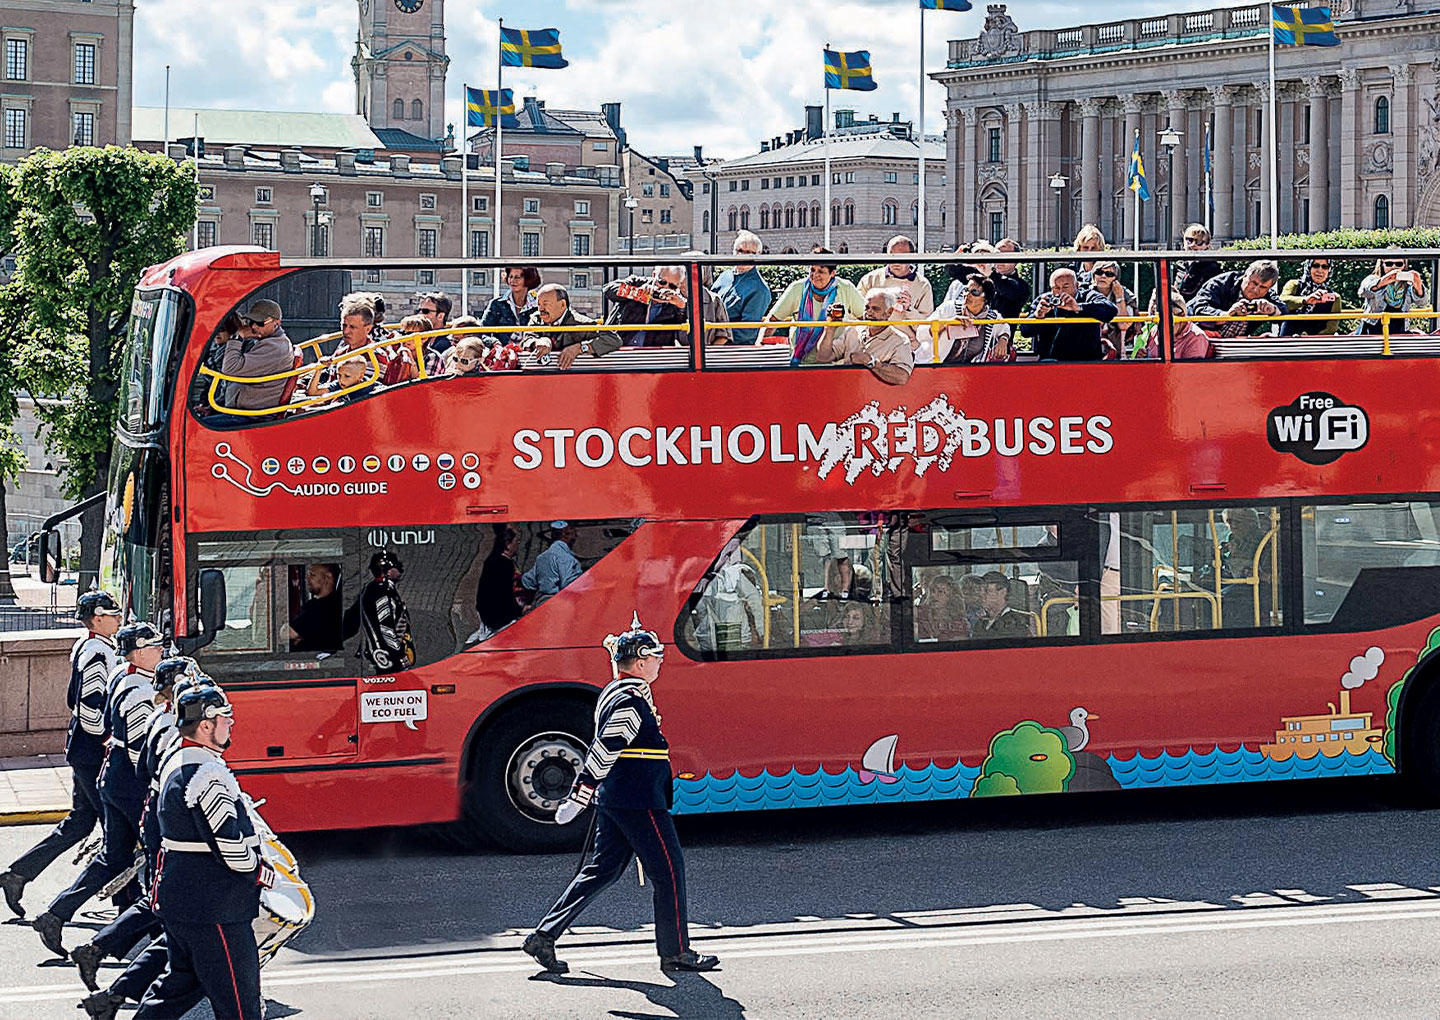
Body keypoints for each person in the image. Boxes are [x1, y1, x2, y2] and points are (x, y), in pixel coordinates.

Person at [522, 615, 719, 975]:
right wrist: (577, 797)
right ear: (641, 660)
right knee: (669, 872)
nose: (661, 661)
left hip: (620, 798)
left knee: (602, 871)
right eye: (656, 656)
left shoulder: (620, 692)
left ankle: (544, 935)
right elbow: (605, 749)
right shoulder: (629, 700)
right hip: (637, 799)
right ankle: (675, 952)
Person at [132, 685, 269, 1020]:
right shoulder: (206, 775)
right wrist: (260, 869)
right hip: (215, 908)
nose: (231, 725)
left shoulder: (178, 761)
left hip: (183, 901)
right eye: (226, 719)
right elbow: (233, 850)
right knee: (240, 1006)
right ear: (206, 725)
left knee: (175, 991)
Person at [75, 657, 202, 1016]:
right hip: (171, 825)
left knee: (172, 920)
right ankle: (102, 958)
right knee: (172, 912)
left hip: (156, 814)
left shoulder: (161, 721)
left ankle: (111, 988)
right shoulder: (174, 729)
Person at [33, 621, 166, 958]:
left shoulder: (124, 674)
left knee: (114, 857)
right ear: (138, 652)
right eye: (155, 647)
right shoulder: (139, 691)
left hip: (113, 774)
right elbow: (140, 750)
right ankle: (154, 933)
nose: (161, 651)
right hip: (130, 780)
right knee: (157, 854)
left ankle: (56, 914)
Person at [0, 591, 122, 920]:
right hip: (92, 750)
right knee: (117, 832)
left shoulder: (89, 646)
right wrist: (107, 740)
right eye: (112, 615)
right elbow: (89, 706)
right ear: (97, 619)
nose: (118, 618)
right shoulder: (97, 653)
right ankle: (123, 909)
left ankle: (18, 875)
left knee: (81, 823)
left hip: (81, 747)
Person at [761, 246, 865, 365]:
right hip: (801, 362)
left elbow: (866, 318)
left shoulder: (846, 288)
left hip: (836, 362)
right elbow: (772, 321)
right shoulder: (797, 288)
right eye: (812, 270)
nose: (815, 275)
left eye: (821, 271)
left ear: (833, 273)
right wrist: (758, 348)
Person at [814, 286, 916, 384]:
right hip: (845, 390)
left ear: (889, 312)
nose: (869, 313)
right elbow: (823, 358)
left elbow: (902, 377)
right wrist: (830, 328)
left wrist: (871, 362)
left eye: (875, 309)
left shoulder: (900, 340)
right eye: (867, 308)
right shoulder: (852, 330)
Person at [1020, 267, 1117, 361]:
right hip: (1051, 360)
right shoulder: (1044, 300)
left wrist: (1079, 307)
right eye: (1056, 288)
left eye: (1066, 287)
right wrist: (1038, 315)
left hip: (1086, 359)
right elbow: (1025, 331)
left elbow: (1111, 310)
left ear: (1077, 285)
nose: (1061, 292)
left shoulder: (1089, 296)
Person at [218, 299, 296, 414]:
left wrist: (238, 336)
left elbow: (230, 368)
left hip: (251, 415)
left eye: (260, 323)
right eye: (251, 321)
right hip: (240, 409)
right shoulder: (265, 340)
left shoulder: (274, 347)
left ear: (276, 323)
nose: (253, 326)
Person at [520, 284, 621, 371]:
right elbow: (527, 338)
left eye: (545, 304)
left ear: (563, 305)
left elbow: (613, 339)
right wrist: (538, 342)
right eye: (539, 305)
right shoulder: (536, 319)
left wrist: (580, 348)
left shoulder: (580, 323)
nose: (541, 309)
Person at [858, 235, 936, 342]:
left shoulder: (923, 285)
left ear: (912, 257)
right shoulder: (870, 279)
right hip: (873, 343)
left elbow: (927, 328)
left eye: (901, 257)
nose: (896, 261)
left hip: (907, 346)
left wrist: (909, 310)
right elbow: (856, 315)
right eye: (892, 255)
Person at [924, 274, 1012, 364]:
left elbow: (1004, 327)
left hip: (967, 371)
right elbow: (921, 333)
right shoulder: (949, 308)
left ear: (986, 298)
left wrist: (1003, 340)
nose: (967, 295)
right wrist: (947, 323)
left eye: (974, 292)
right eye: (966, 290)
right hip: (935, 365)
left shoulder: (991, 318)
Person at [354, 550, 414, 673]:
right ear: (387, 570)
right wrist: (399, 655)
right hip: (385, 660)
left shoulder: (379, 589)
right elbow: (385, 627)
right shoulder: (381, 591)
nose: (400, 569)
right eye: (396, 566)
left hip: (384, 657)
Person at [603, 266, 691, 347]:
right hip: (618, 347)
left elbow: (685, 338)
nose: (665, 288)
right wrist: (637, 293)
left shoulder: (677, 301)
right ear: (654, 275)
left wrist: (682, 308)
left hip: (652, 355)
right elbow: (608, 289)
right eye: (662, 282)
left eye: (672, 286)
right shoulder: (637, 283)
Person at [1191, 259, 1282, 337]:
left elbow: (1285, 310)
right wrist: (1226, 315)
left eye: (1263, 287)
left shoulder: (1268, 296)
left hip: (1230, 345)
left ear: (1269, 288)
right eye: (1253, 283)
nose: (1256, 289)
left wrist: (1273, 310)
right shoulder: (1219, 283)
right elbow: (1200, 310)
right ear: (1245, 275)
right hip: (1194, 335)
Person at [712, 231, 771, 344]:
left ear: (758, 254)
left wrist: (718, 338)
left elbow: (747, 332)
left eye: (748, 252)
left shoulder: (759, 289)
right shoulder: (724, 276)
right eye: (739, 251)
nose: (742, 256)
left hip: (731, 350)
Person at [474, 526, 523, 639]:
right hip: (501, 619)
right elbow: (506, 595)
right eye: (517, 541)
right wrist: (520, 610)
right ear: (508, 544)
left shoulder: (491, 561)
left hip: (488, 616)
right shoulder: (505, 565)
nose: (518, 545)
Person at [1359, 256, 1428, 335]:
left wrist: (1418, 285)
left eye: (1398, 264)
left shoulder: (1408, 284)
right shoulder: (1372, 279)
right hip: (1373, 328)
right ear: (1382, 265)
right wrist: (1383, 282)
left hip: (1399, 328)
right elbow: (1363, 292)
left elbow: (1423, 302)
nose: (1393, 267)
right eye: (1389, 264)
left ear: (1404, 266)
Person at [1279, 258, 1345, 337]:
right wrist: (1305, 300)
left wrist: (1310, 338)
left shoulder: (1334, 297)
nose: (1320, 270)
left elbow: (1332, 327)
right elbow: (1281, 303)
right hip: (1289, 338)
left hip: (1316, 342)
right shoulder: (1294, 285)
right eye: (1316, 266)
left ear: (1329, 271)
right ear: (1309, 267)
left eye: (1325, 267)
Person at [1086, 259, 1138, 358]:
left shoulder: (1126, 295)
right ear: (1093, 275)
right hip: (1089, 352)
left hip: (1116, 353)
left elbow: (1124, 325)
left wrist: (1119, 297)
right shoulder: (1085, 293)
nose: (1103, 276)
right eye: (1099, 272)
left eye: (1109, 274)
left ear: (1116, 278)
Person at [521, 521, 582, 606]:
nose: (576, 537)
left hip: (540, 604)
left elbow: (528, 581)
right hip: (558, 604)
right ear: (565, 535)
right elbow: (569, 584)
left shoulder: (541, 557)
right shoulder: (566, 558)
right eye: (574, 534)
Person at [288, 563, 343, 652]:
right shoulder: (313, 604)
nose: (307, 579)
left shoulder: (323, 607)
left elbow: (289, 633)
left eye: (312, 575)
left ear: (328, 577)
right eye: (308, 575)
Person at [481, 267, 541, 344]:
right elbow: (482, 332)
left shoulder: (538, 305)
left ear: (528, 279)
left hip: (531, 353)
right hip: (502, 353)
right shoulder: (496, 304)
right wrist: (493, 343)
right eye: (510, 277)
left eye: (517, 277)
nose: (512, 281)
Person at [972, 571, 1034, 639]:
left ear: (1002, 592)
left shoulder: (1014, 626)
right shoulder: (981, 623)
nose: (981, 595)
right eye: (980, 591)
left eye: (987, 590)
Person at [1174, 224, 1223, 302]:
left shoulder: (1211, 267)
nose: (1193, 245)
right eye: (1189, 240)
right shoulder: (1180, 265)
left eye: (1199, 241)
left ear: (1207, 244)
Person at [915, 574, 970, 642]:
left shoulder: (960, 622)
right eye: (932, 591)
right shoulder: (921, 613)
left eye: (940, 591)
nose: (933, 595)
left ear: (951, 595)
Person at [989, 238, 1032, 322]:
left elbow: (1008, 288)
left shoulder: (1021, 286)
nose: (999, 260)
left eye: (1005, 256)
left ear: (1016, 260)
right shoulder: (982, 277)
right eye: (996, 255)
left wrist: (989, 273)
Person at [1071, 223, 1107, 288]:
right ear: (1079, 249)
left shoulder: (1107, 271)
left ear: (1100, 249)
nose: (1089, 252)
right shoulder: (1072, 269)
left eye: (1093, 248)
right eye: (1085, 247)